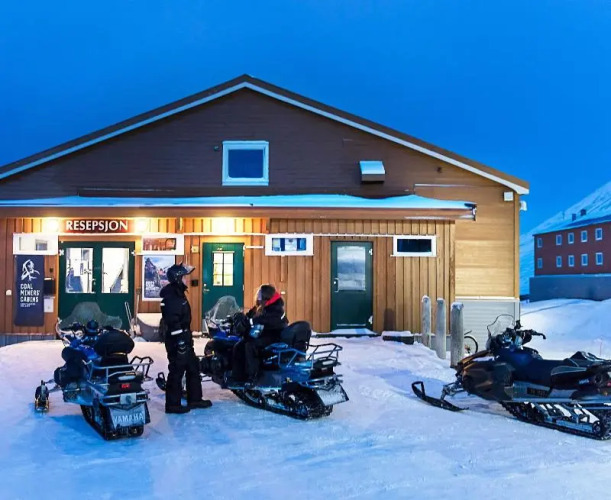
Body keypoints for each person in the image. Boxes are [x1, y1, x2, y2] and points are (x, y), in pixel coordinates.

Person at [160, 263, 212, 414]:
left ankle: (195, 399)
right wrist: (180, 341)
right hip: (177, 340)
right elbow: (172, 320)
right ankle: (172, 405)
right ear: (177, 278)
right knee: (177, 370)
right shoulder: (172, 296)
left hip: (184, 337)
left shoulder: (178, 293)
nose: (187, 280)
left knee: (193, 367)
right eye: (184, 277)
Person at [231, 284, 289, 385]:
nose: (258, 297)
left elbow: (267, 319)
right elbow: (251, 315)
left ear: (266, 296)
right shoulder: (261, 306)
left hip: (274, 336)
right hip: (263, 333)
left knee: (250, 346)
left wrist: (251, 321)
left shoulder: (276, 307)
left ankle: (253, 376)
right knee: (239, 345)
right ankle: (238, 376)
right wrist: (241, 317)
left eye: (260, 295)